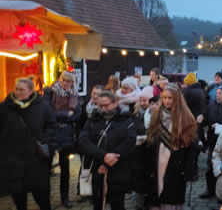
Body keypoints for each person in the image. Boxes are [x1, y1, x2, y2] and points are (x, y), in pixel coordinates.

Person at [0, 77, 56, 210]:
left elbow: (52, 125)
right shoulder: (4, 107)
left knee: (41, 195)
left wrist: (44, 140)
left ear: (31, 91)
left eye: (22, 89)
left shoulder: (42, 107)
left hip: (35, 158)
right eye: (16, 89)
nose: (18, 92)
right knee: (18, 196)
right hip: (12, 160)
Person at [78, 91, 137, 210]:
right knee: (98, 203)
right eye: (100, 106)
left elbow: (129, 143)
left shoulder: (126, 121)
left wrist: (108, 162)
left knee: (117, 204)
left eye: (106, 105)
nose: (103, 109)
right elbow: (84, 142)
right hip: (96, 169)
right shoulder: (91, 121)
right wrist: (103, 156)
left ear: (115, 103)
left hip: (118, 169)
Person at [145, 84, 198, 209]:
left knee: (171, 195)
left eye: (170, 98)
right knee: (156, 192)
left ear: (177, 99)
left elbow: (191, 145)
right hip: (157, 161)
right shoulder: (156, 116)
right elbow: (151, 140)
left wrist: (189, 170)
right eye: (164, 98)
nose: (166, 101)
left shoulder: (186, 118)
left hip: (176, 164)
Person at [42, 71, 82, 208]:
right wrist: (65, 114)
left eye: (69, 81)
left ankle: (65, 198)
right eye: (63, 80)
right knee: (46, 169)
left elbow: (77, 115)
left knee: (65, 169)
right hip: (51, 134)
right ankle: (45, 200)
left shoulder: (75, 95)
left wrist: (58, 116)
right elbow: (47, 113)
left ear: (72, 82)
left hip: (66, 134)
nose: (65, 83)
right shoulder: (49, 93)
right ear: (60, 79)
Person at [197, 85, 222, 199]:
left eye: (220, 93)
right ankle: (210, 190)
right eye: (217, 93)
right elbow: (206, 120)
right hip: (213, 141)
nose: (217, 95)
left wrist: (221, 126)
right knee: (211, 166)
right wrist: (201, 121)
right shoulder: (211, 106)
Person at [130, 86, 153, 210]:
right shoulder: (135, 114)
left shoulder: (154, 114)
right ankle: (139, 205)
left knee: (149, 179)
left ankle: (150, 203)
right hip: (138, 152)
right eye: (141, 100)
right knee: (138, 180)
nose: (143, 103)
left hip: (150, 152)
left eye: (146, 100)